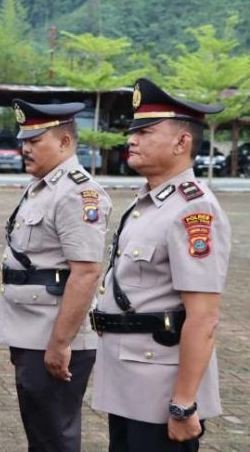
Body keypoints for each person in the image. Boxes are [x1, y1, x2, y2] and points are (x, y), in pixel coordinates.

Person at [90, 78, 230, 451]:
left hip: (160, 393)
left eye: (146, 132)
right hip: (129, 381)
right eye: (132, 132)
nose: (131, 140)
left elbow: (204, 317)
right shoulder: (150, 202)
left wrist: (183, 405)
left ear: (182, 143)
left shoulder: (193, 208)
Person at [0, 98, 112, 452]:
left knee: (54, 437)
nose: (25, 148)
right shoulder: (45, 185)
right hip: (33, 329)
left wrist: (59, 344)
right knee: (42, 435)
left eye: (34, 140)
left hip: (55, 336)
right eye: (24, 141)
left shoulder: (77, 192)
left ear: (64, 142)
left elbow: (86, 273)